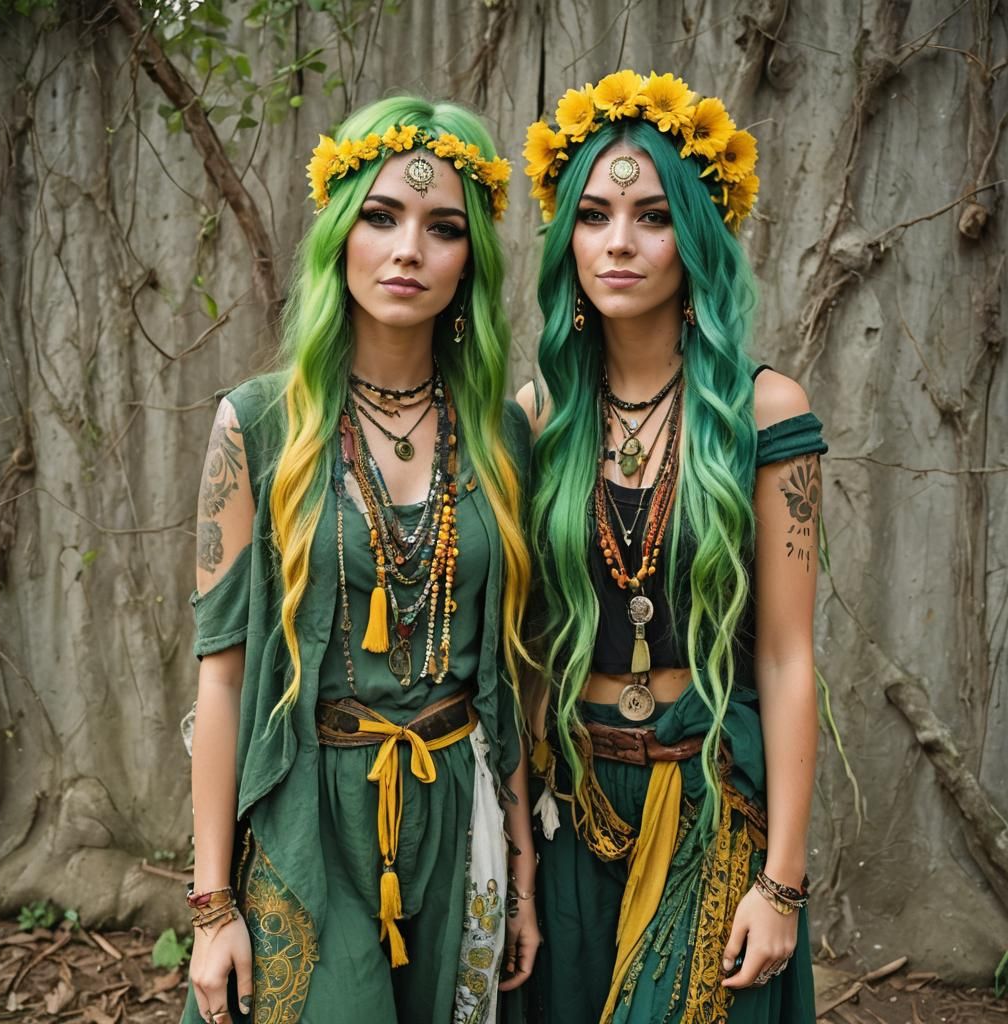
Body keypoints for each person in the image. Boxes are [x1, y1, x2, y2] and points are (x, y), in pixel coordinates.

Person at [182, 96, 540, 1024]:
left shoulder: (503, 434)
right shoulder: (258, 425)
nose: (408, 249)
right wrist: (212, 902)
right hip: (315, 807)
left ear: (471, 262)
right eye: (379, 217)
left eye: (443, 227)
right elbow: (220, 681)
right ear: (339, 235)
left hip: (459, 808)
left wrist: (525, 876)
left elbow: (509, 670)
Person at [517, 70, 825, 1023]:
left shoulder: (765, 412)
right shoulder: (537, 422)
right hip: (572, 806)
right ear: (566, 237)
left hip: (710, 796)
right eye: (595, 215)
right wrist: (517, 860)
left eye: (651, 216)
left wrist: (782, 882)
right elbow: (522, 657)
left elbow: (785, 656)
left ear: (695, 237)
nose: (619, 242)